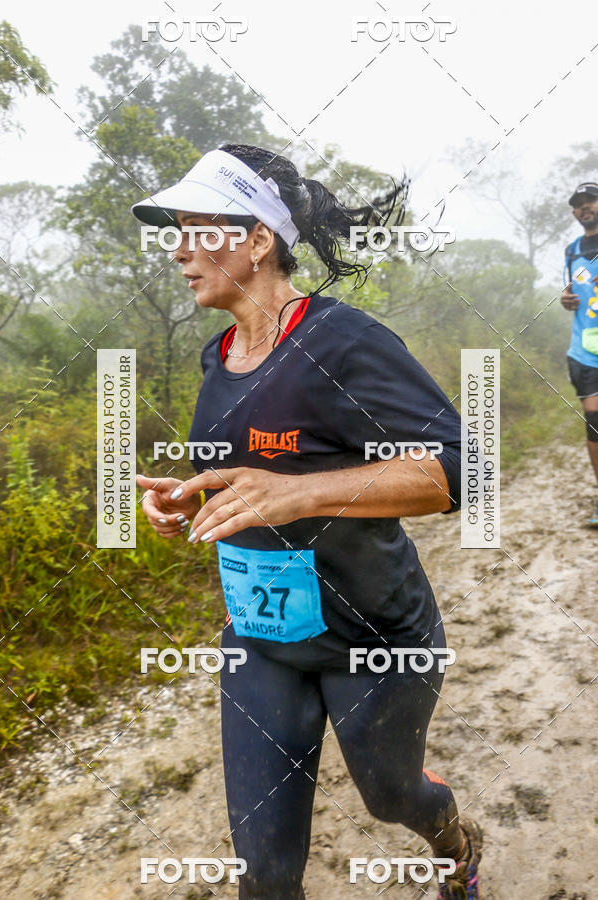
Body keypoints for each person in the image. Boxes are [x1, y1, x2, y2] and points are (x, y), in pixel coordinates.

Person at [133, 144, 483, 899]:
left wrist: (303, 495)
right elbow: (251, 471)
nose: (180, 252)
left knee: (392, 797)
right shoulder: (218, 356)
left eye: (198, 231)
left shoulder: (342, 342)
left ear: (259, 239)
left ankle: (454, 841)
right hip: (262, 642)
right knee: (262, 876)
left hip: (374, 640)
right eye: (176, 234)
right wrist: (190, 499)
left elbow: (464, 468)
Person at [561, 182, 598, 526]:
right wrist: (565, 298)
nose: (584, 207)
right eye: (578, 204)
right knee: (595, 422)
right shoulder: (572, 250)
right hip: (587, 351)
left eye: (591, 201)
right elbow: (569, 290)